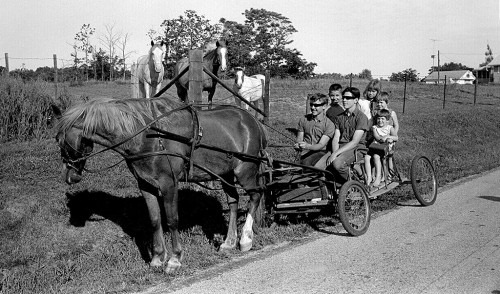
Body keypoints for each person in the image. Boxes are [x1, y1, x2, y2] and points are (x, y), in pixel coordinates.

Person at [315, 87, 369, 184]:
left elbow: (354, 142)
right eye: (343, 97)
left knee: (338, 164)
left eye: (348, 98)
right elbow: (336, 138)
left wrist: (335, 154)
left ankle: (357, 183)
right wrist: (334, 153)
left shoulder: (361, 117)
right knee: (318, 168)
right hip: (341, 147)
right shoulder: (339, 117)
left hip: (356, 149)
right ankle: (332, 188)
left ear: (356, 100)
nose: (344, 100)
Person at [295, 93, 336, 166]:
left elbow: (321, 145)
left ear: (324, 106)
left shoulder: (329, 124)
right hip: (305, 152)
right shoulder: (303, 119)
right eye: (311, 105)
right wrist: (298, 144)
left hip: (321, 152)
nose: (313, 107)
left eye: (316, 105)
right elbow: (299, 139)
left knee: (306, 163)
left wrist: (308, 146)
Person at [364, 109, 398, 187]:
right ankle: (369, 177)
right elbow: (376, 136)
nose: (380, 121)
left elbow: (396, 137)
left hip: (386, 149)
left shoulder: (390, 128)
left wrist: (388, 137)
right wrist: (380, 138)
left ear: (387, 120)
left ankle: (378, 177)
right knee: (366, 157)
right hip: (376, 147)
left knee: (376, 157)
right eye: (378, 119)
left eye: (383, 119)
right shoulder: (374, 127)